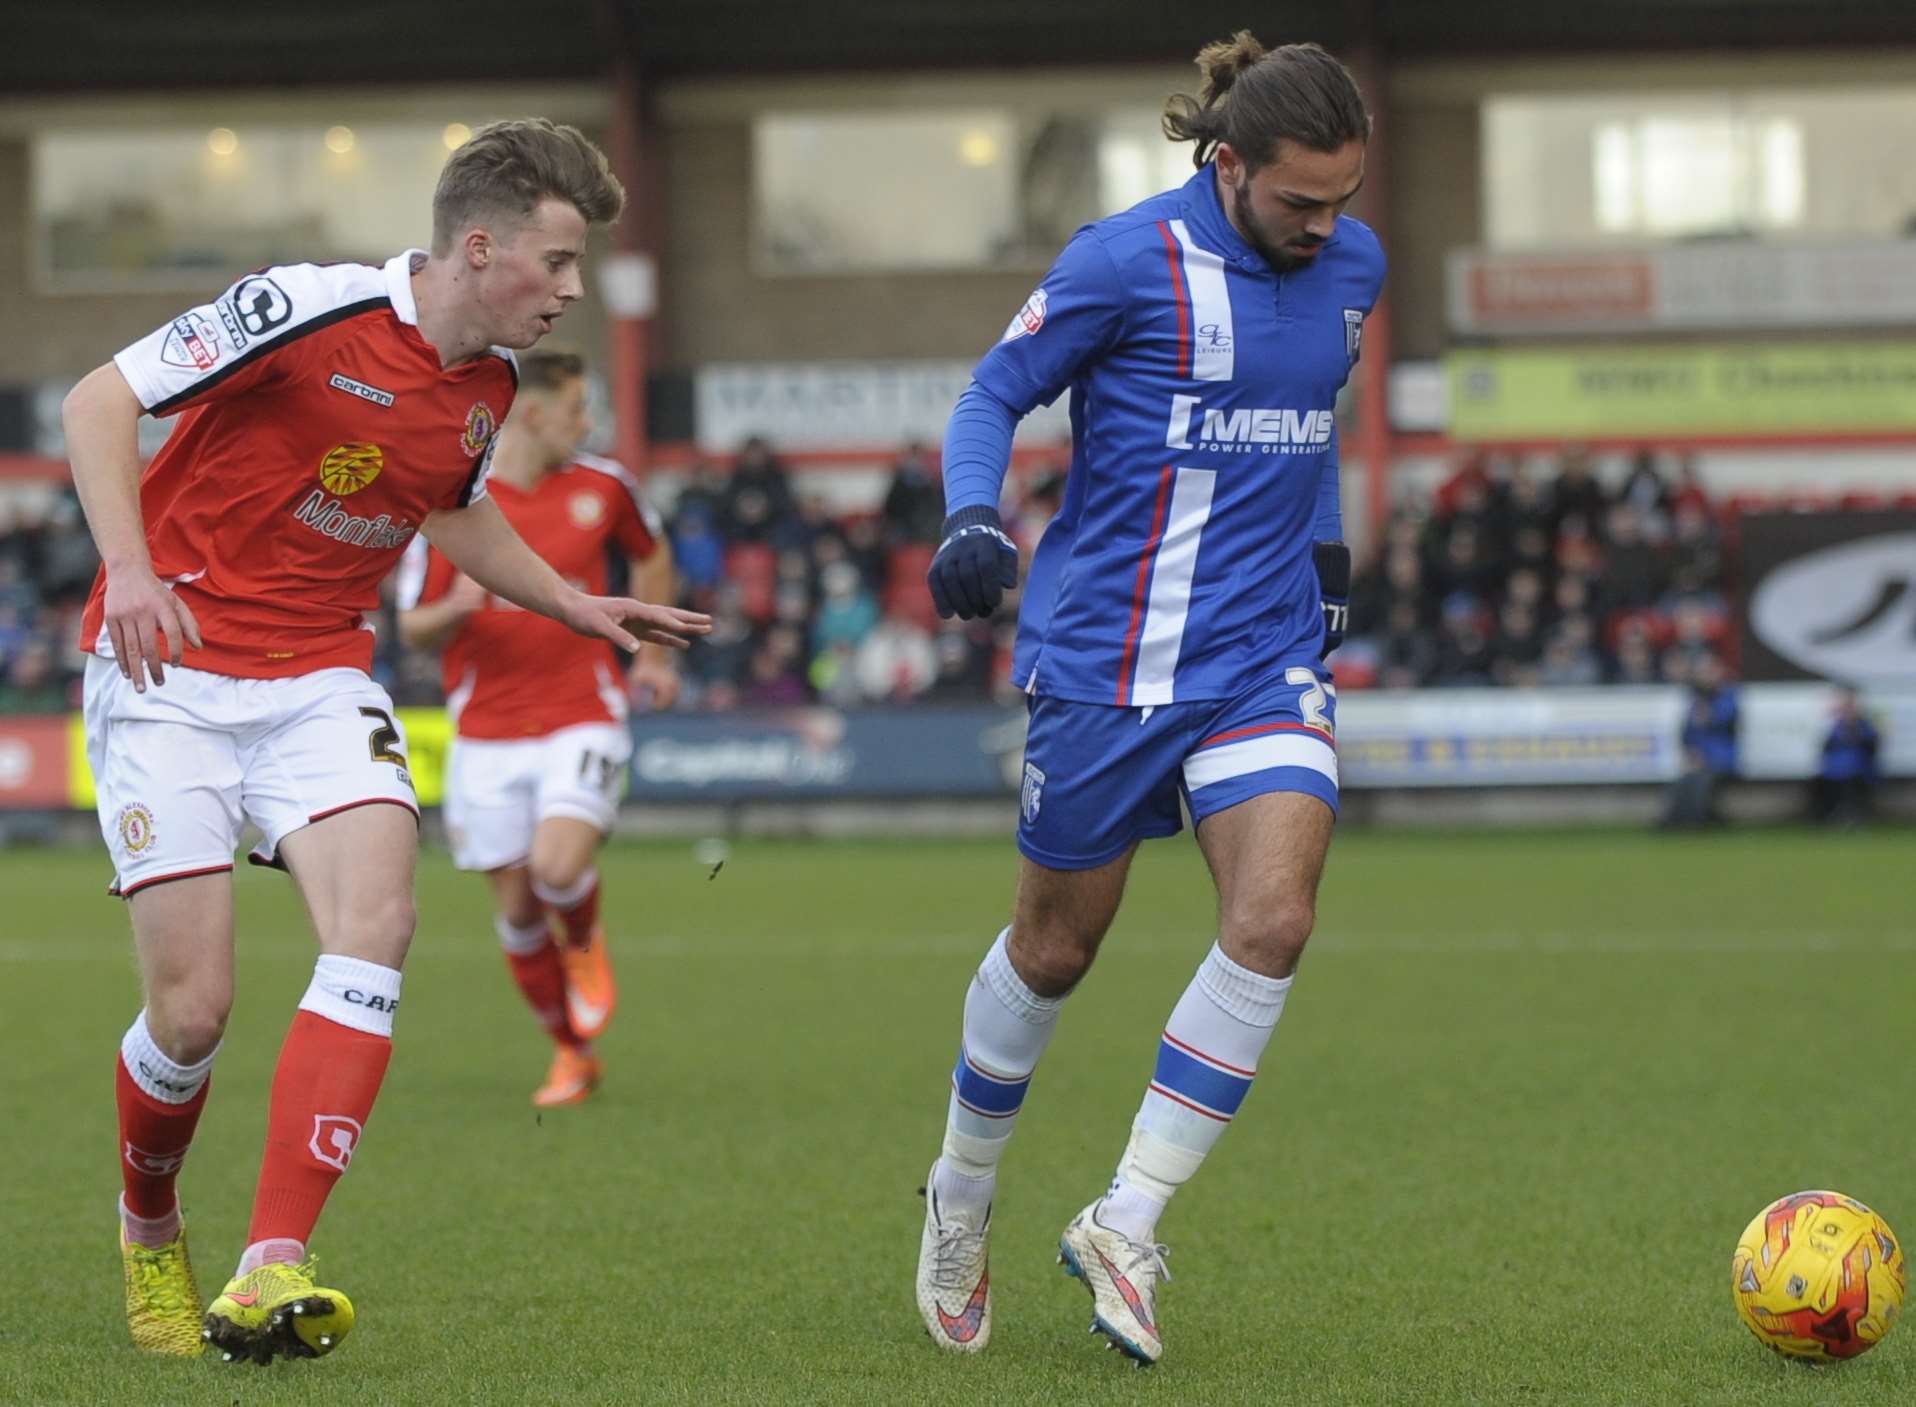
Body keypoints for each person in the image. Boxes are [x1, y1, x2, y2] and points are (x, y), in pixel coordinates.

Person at [63, 118, 709, 1366]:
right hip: (169, 672)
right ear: (479, 248)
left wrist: (575, 601)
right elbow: (102, 400)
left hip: (317, 676)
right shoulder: (303, 310)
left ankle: (270, 1264)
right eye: (559, 263)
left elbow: (450, 513)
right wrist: (129, 571)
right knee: (192, 1015)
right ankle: (150, 1221)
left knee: (380, 927)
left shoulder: (491, 385)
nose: (573, 291)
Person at [913, 33, 1382, 1366]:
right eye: (1301, 201)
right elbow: (995, 392)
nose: (1327, 225)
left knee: (1277, 916)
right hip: (1108, 661)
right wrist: (971, 521)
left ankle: (1127, 1215)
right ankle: (960, 1185)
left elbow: (1316, 415)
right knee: (1055, 951)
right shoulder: (1123, 259)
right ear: (1228, 164)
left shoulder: (1353, 265)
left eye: (1344, 199)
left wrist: (1330, 568)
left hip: (1263, 656)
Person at [396, 349, 679, 1108]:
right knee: (518, 910)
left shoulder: (603, 487)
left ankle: (584, 942)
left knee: (556, 870)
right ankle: (570, 1050)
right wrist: (450, 612)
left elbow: (652, 561)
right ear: (532, 413)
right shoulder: (448, 506)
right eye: (577, 409)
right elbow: (411, 627)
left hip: (581, 711)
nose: (586, 425)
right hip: (485, 730)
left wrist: (650, 656)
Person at [1661, 653, 1738, 828]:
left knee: (1701, 781)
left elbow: (1724, 721)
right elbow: (1687, 733)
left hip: (1721, 759)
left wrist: (1709, 717)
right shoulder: (1695, 700)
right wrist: (1692, 753)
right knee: (1682, 781)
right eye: (1702, 672)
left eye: (1709, 671)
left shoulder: (1729, 695)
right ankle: (1673, 821)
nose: (1706, 676)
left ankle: (1695, 821)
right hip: (1698, 759)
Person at [1811, 686, 1881, 826]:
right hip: (1834, 772)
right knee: (1824, 791)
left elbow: (1872, 747)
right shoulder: (1836, 726)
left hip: (1858, 771)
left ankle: (1853, 818)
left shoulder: (1864, 726)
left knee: (1854, 792)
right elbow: (1825, 747)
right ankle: (1830, 818)